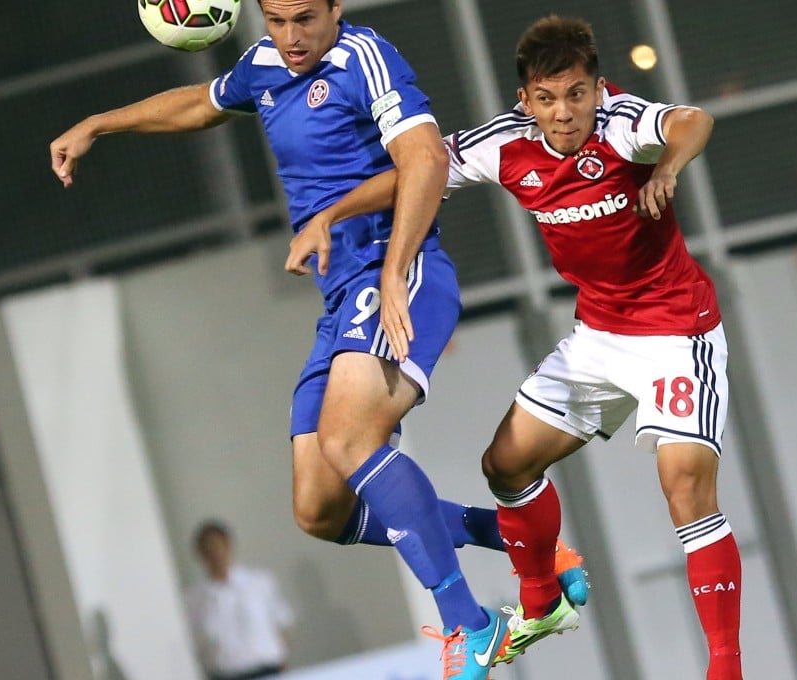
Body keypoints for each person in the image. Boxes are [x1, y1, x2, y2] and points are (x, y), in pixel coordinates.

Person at [48, 3, 586, 677]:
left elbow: (424, 160)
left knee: (349, 439)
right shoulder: (265, 65)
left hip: (397, 266)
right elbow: (200, 104)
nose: (291, 36)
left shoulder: (367, 58)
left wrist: (394, 273)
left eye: (306, 17)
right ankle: (519, 542)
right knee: (320, 508)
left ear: (335, 8)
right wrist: (100, 123)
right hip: (340, 298)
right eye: (275, 19)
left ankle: (469, 626)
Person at [287, 14, 744, 679]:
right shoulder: (507, 142)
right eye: (550, 99)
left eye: (578, 95)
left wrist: (667, 165)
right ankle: (540, 599)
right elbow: (422, 170)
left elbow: (693, 119)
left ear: (597, 89)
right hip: (599, 336)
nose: (566, 114)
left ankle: (725, 667)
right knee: (505, 466)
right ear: (525, 101)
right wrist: (331, 215)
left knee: (683, 487)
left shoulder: (623, 122)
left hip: (678, 334)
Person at [185, 521, 294, 680]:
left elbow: (281, 623)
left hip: (267, 668)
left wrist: (283, 662)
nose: (214, 554)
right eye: (207, 549)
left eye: (217, 546)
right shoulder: (194, 599)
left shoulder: (259, 582)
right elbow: (197, 643)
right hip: (225, 674)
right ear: (200, 554)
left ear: (228, 545)